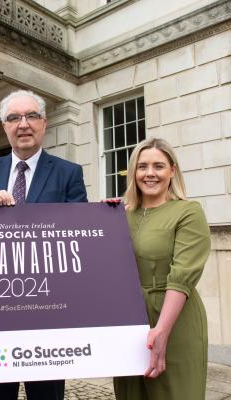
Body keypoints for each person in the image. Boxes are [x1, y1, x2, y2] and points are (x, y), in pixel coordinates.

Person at [0, 89, 87, 400]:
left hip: (47, 316)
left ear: (44, 123)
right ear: (4, 126)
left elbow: (81, 235)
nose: (23, 124)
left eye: (31, 116)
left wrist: (108, 217)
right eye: (14, 117)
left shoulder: (69, 173)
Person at [113, 138, 211, 400]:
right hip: (128, 320)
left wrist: (162, 331)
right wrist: (102, 218)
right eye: (142, 166)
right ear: (133, 172)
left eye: (158, 166)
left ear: (172, 171)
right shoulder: (120, 214)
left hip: (173, 318)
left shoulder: (188, 211)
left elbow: (181, 277)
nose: (150, 173)